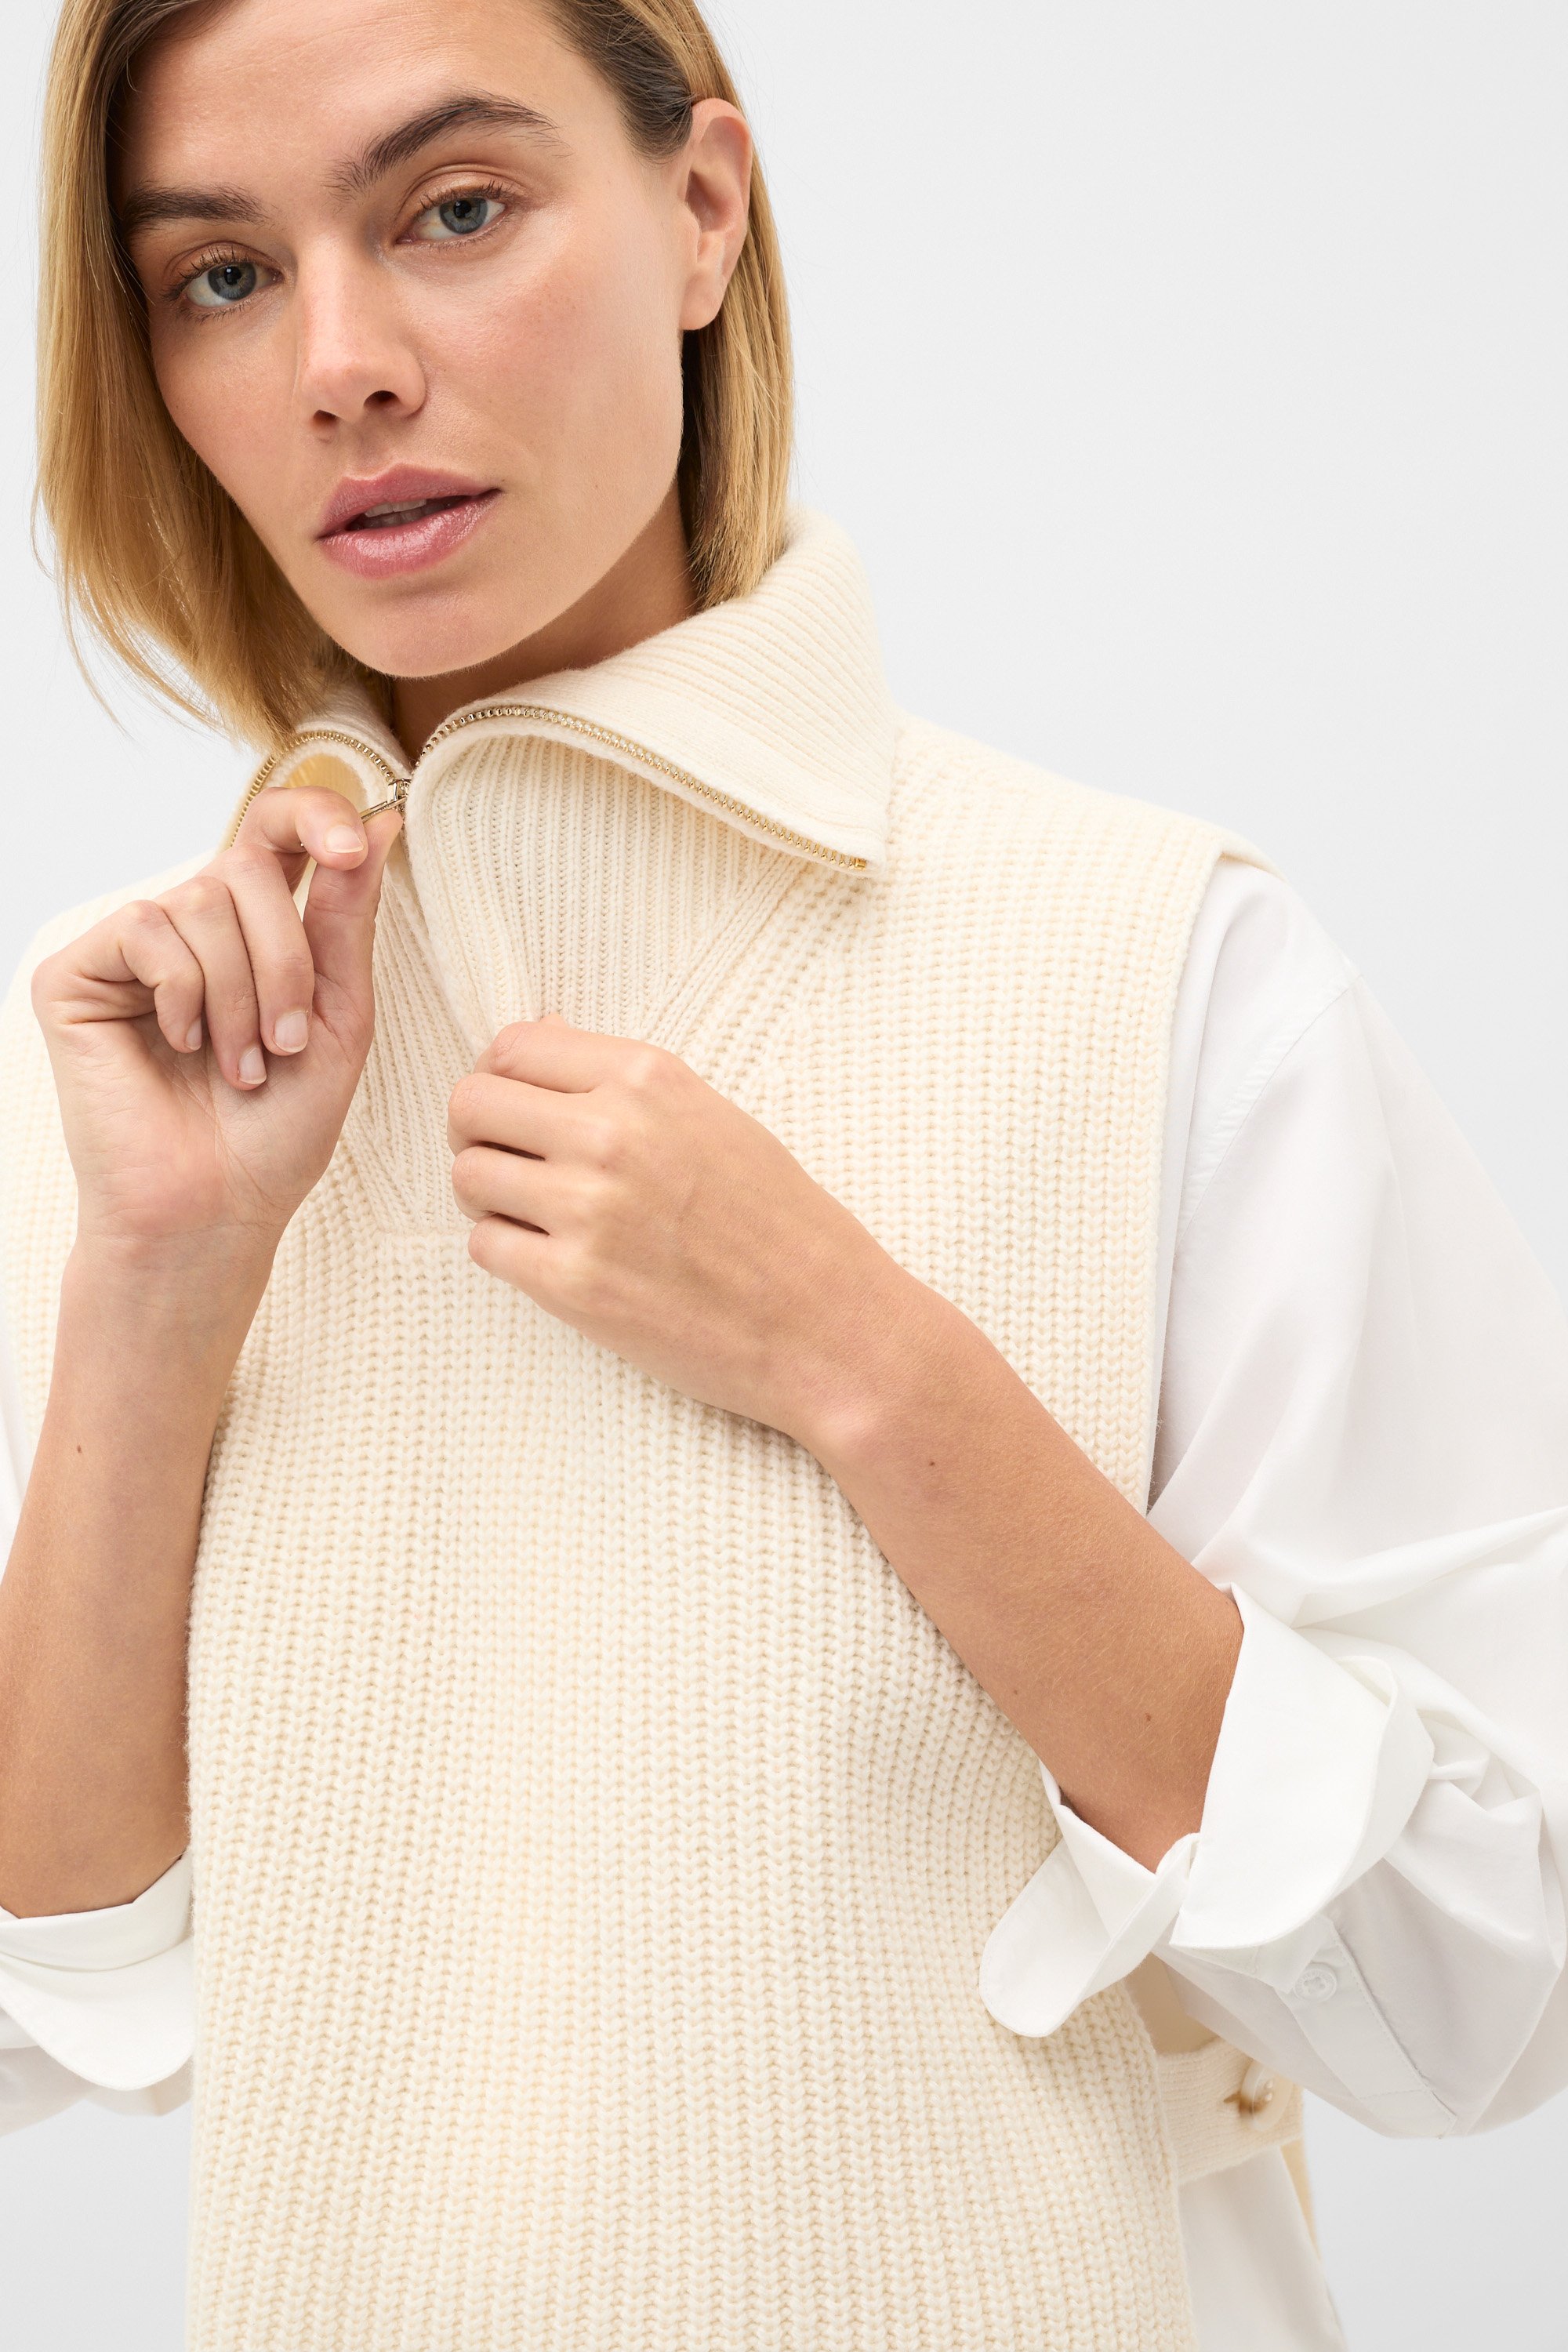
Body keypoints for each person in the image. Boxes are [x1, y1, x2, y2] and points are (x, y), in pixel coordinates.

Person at [1, 1, 1565, 2345]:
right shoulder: (138, 1060)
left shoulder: (1151, 965)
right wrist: (158, 1277)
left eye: (453, 210)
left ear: (703, 210)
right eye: (219, 274)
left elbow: (1479, 1983)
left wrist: (864, 1361)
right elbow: (51, 2010)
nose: (340, 365)